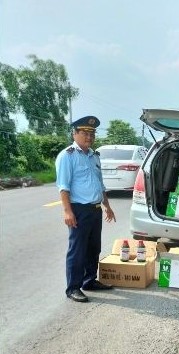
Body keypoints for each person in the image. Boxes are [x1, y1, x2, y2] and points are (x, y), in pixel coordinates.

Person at [55, 116, 116, 302]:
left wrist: (107, 206)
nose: (89, 137)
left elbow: (100, 184)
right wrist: (67, 211)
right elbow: (63, 187)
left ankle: (89, 280)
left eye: (92, 133)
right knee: (77, 250)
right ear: (74, 133)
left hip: (95, 209)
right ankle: (73, 287)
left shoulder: (93, 155)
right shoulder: (68, 155)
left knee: (93, 248)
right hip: (79, 210)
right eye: (85, 133)